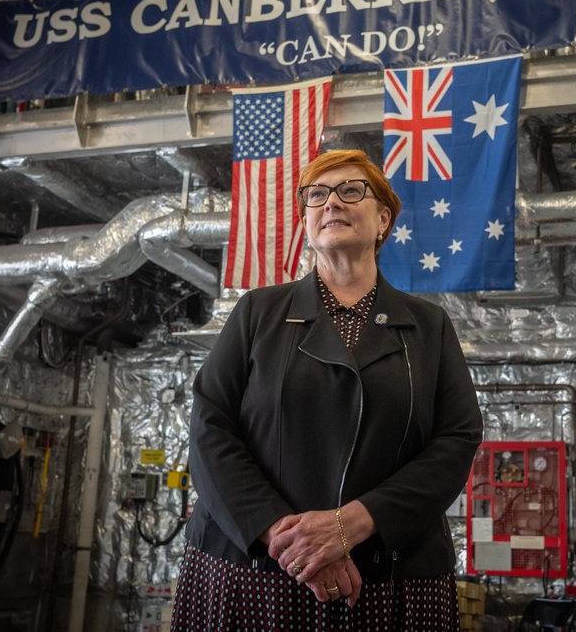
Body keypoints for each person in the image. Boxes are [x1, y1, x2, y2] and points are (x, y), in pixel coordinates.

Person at [171, 149, 484, 631]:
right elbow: (209, 427)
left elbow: (457, 440)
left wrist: (352, 524)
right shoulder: (258, 312)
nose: (331, 203)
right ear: (306, 220)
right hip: (254, 567)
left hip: (390, 575)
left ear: (383, 219)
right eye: (316, 195)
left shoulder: (429, 326)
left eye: (350, 191)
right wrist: (291, 541)